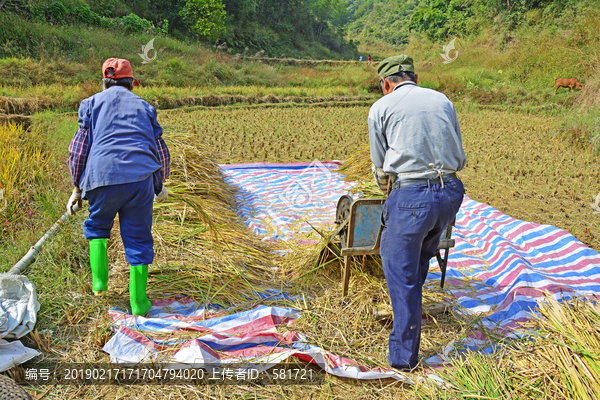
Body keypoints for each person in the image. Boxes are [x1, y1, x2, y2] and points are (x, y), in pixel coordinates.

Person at [368, 55, 466, 370]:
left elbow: (381, 169)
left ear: (386, 83)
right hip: (450, 194)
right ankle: (412, 306)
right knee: (423, 252)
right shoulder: (442, 100)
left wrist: (393, 192)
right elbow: (459, 156)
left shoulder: (380, 108)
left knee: (398, 269)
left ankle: (402, 358)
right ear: (414, 76)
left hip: (412, 197)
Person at [66, 58, 170, 316]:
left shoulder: (90, 104)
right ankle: (138, 303)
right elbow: (160, 150)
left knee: (97, 225)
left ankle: (100, 285)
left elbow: (79, 151)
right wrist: (160, 184)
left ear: (104, 82)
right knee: (138, 238)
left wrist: (77, 189)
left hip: (101, 179)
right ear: (132, 84)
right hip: (139, 181)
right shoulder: (145, 107)